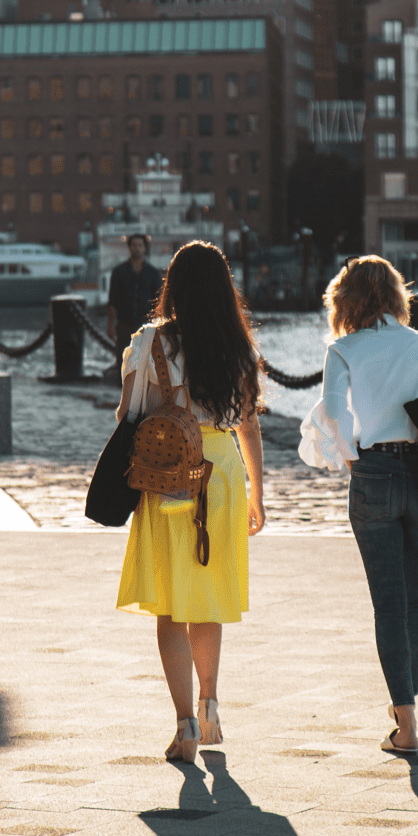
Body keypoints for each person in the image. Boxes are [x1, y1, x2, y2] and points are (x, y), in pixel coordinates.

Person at [298, 256, 418, 755]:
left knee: (386, 603)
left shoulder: (344, 349)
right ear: (397, 296)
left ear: (345, 300)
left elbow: (334, 412)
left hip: (374, 472)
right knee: (412, 600)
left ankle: (407, 721)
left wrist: (352, 460)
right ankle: (407, 712)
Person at [115, 241, 266, 765]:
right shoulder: (239, 346)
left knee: (170, 608)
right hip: (223, 475)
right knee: (207, 601)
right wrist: (258, 496)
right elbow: (248, 423)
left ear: (172, 286)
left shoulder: (151, 342)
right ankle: (210, 709)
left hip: (169, 474)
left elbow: (127, 414)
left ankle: (184, 727)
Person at [107, 233, 162, 361]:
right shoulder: (119, 271)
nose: (137, 248)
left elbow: (158, 301)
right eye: (134, 245)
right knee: (123, 360)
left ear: (145, 248)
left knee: (146, 361)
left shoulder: (153, 273)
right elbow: (113, 299)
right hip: (124, 324)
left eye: (140, 245)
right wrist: (110, 324)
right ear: (129, 247)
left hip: (146, 325)